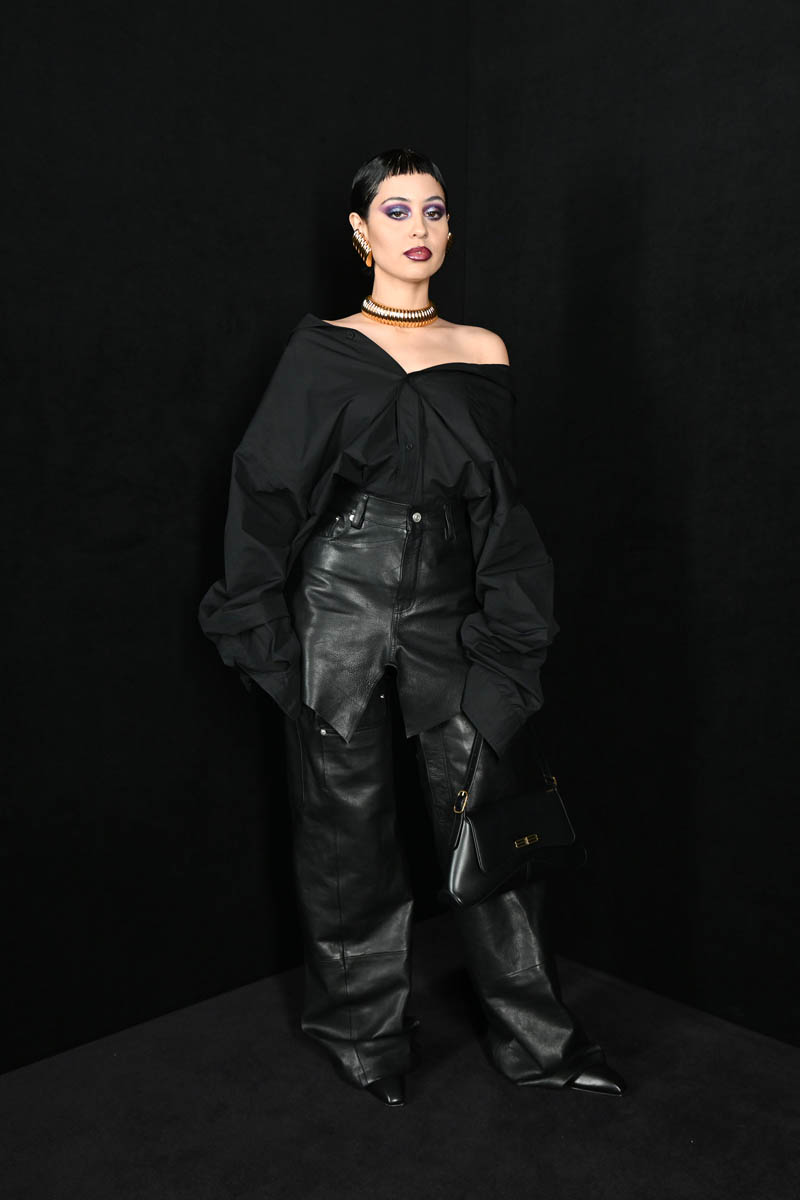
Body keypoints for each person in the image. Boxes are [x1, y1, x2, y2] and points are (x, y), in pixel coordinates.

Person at [198, 146, 626, 1107]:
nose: (419, 229)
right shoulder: (322, 351)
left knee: (493, 814)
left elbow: (501, 505)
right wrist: (259, 622)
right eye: (396, 212)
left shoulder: (483, 349)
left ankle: (537, 1043)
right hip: (339, 597)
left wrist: (511, 626)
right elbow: (265, 491)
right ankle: (363, 1038)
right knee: (343, 827)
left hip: (452, 597)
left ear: (449, 227)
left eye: (433, 210)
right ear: (360, 232)